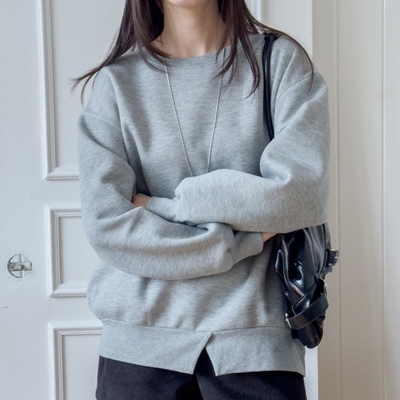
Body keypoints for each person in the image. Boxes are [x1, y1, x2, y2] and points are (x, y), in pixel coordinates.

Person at [72, 0, 331, 399]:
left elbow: (299, 195)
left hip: (254, 347)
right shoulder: (117, 83)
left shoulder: (279, 63)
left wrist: (159, 206)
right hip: (138, 348)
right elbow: (107, 224)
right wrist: (243, 239)